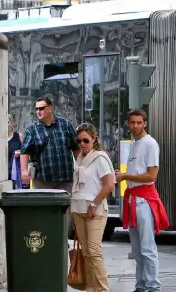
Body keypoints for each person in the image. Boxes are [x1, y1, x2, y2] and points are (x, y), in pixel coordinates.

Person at [116, 109, 168, 292]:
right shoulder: (134, 143)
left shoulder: (150, 143)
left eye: (139, 122)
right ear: (128, 124)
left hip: (143, 199)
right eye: (132, 122)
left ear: (145, 123)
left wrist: (125, 176)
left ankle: (153, 286)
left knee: (147, 247)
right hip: (133, 198)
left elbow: (151, 175)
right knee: (137, 250)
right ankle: (141, 285)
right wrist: (124, 177)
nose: (135, 126)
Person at [71, 123, 115, 292]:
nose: (82, 144)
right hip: (78, 208)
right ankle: (91, 288)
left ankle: (103, 289)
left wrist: (94, 204)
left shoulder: (100, 158)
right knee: (86, 253)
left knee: (94, 251)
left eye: (85, 140)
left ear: (94, 139)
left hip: (94, 210)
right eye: (79, 141)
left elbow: (109, 185)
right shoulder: (80, 158)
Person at [20, 95, 78, 191]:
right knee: (43, 206)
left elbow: (76, 147)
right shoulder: (32, 130)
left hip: (65, 180)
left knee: (66, 206)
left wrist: (81, 166)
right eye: (36, 109)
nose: (38, 111)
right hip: (42, 181)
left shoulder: (65, 124)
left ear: (50, 108)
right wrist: (24, 171)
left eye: (41, 108)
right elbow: (24, 151)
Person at [7, 115, 25, 189]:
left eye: (7, 122)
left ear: (12, 123)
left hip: (16, 173)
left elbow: (26, 152)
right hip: (4, 175)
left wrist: (20, 153)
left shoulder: (19, 136)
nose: (5, 124)